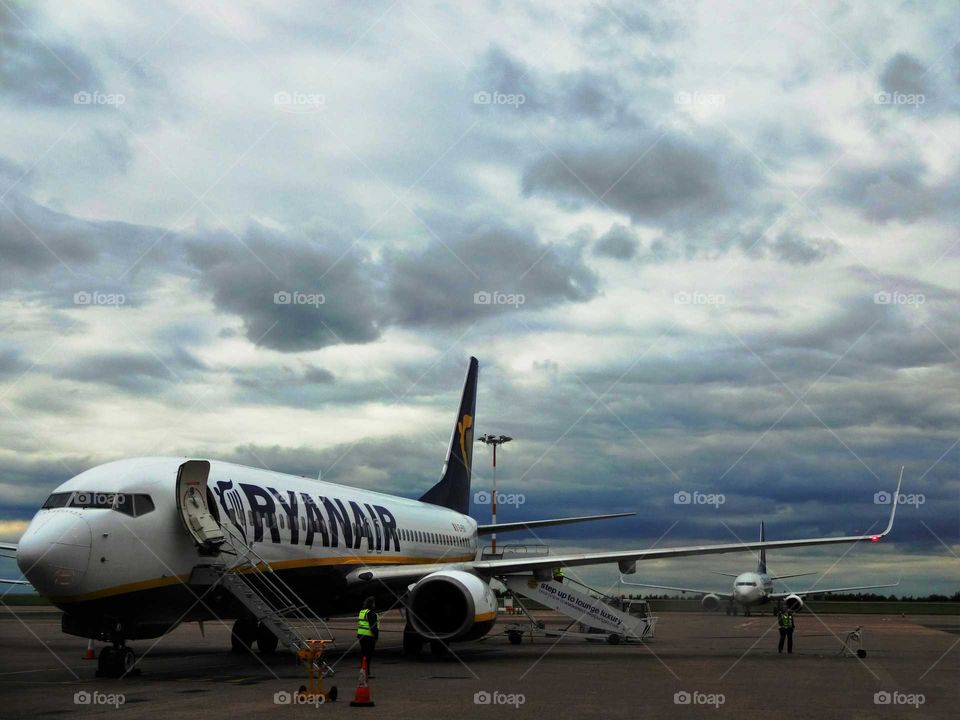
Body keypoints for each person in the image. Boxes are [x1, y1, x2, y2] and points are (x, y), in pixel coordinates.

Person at [357, 596, 380, 677]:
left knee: (363, 655)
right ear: (371, 604)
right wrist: (376, 637)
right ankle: (367, 673)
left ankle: (363, 671)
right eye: (373, 603)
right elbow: (373, 627)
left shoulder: (362, 612)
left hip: (361, 636)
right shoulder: (371, 613)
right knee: (368, 656)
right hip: (369, 637)